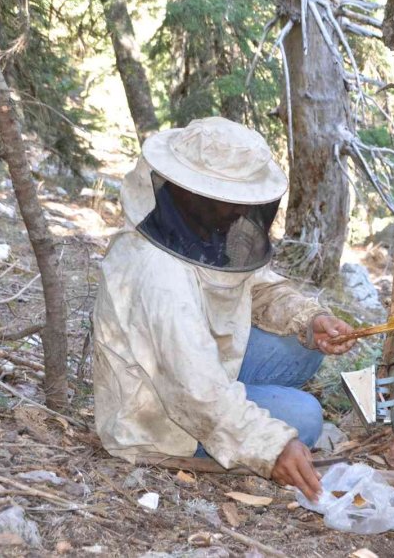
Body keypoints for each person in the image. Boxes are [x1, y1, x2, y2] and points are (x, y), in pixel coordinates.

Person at [92, 117, 355, 501]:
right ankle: (244, 421)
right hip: (157, 417)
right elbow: (194, 390)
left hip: (200, 365)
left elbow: (255, 285)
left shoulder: (198, 227)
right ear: (193, 193)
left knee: (303, 349)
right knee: (304, 417)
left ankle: (248, 404)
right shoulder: (155, 272)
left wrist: (309, 319)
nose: (238, 212)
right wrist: (271, 445)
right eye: (230, 201)